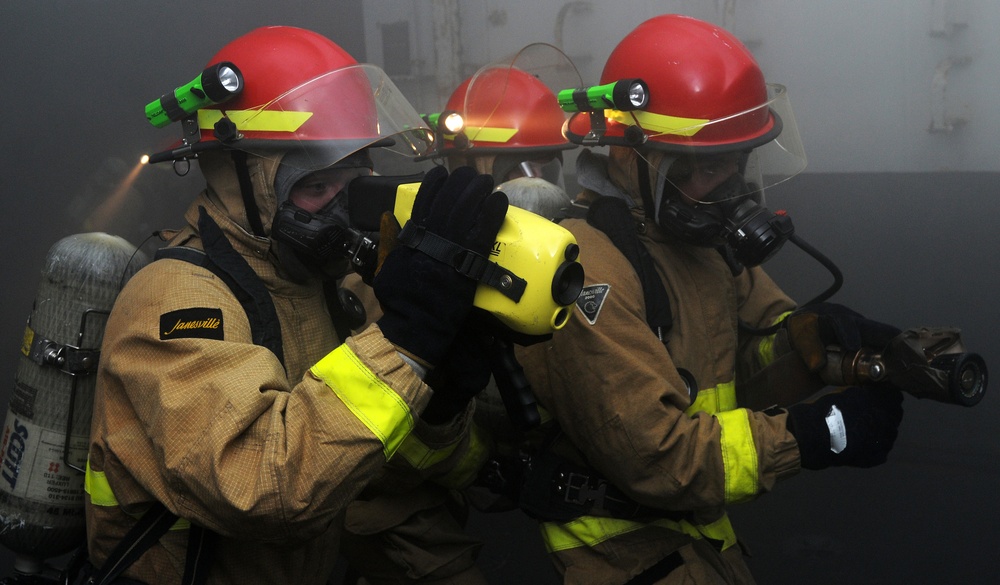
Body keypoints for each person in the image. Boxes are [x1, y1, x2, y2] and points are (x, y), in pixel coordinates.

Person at [83, 26, 507, 585]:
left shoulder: (330, 288)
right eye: (314, 188)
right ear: (244, 183)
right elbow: (260, 485)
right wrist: (406, 341)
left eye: (351, 183)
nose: (339, 211)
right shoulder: (177, 298)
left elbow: (374, 470)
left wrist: (438, 400)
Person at [508, 14, 905, 584]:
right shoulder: (589, 267)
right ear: (629, 156)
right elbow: (659, 458)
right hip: (622, 551)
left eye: (738, 166)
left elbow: (745, 352)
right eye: (707, 167)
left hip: (697, 539)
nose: (729, 191)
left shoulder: (700, 242)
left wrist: (814, 341)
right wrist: (822, 434)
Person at [336, 44, 584, 584]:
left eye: (547, 166)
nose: (535, 185)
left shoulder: (582, 257)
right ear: (461, 177)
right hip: (423, 517)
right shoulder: (397, 275)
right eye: (517, 169)